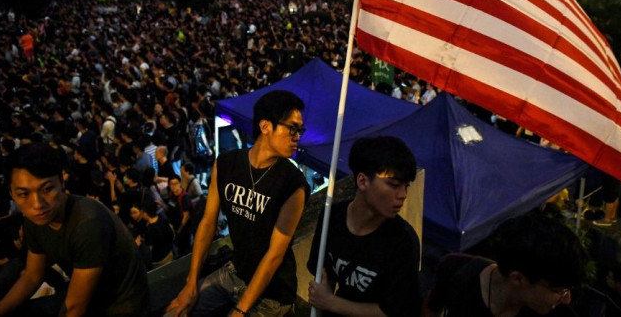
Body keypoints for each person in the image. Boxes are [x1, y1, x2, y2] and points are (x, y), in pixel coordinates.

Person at [166, 90, 309, 317]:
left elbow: (274, 256)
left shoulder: (293, 185)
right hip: (236, 272)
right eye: (292, 128)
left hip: (272, 292)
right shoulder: (226, 163)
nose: (297, 136)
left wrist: (240, 311)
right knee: (175, 311)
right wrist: (191, 283)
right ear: (265, 126)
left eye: (299, 130)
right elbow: (208, 222)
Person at [0, 142, 150, 316]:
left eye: (47, 189)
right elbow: (32, 276)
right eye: (24, 194)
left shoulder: (87, 223)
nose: (37, 204)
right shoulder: (34, 220)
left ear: (62, 183)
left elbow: (75, 308)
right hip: (89, 293)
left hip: (121, 304)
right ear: (12, 194)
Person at [307, 136, 421, 316]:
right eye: (394, 185)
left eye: (406, 186)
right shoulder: (332, 216)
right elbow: (323, 281)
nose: (403, 195)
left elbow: (393, 311)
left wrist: (331, 303)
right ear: (362, 181)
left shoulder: (403, 241)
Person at [422, 211, 587, 317]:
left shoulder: (560, 313)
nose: (566, 299)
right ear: (517, 279)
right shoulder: (458, 271)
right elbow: (432, 307)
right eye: (559, 291)